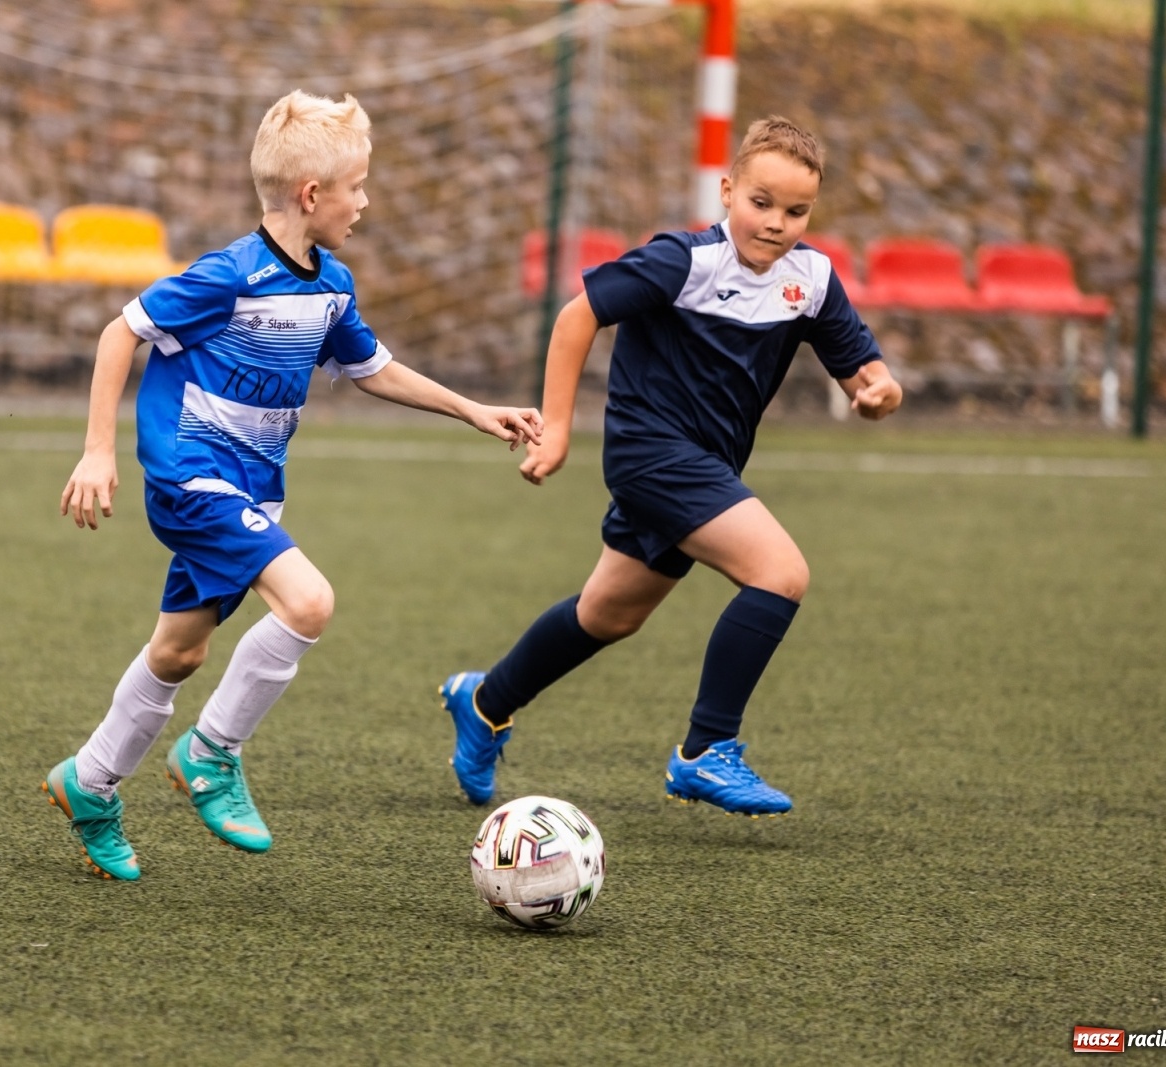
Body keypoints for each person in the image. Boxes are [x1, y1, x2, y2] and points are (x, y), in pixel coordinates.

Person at [45, 89, 543, 880]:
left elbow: (372, 368)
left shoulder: (331, 284)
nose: (366, 202)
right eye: (359, 186)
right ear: (313, 195)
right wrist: (97, 451)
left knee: (180, 652)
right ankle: (211, 753)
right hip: (191, 478)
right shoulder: (228, 275)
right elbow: (121, 332)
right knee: (309, 601)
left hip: (252, 492)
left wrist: (472, 409)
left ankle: (90, 780)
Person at [441, 116, 902, 817]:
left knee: (608, 613)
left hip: (705, 466)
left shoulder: (810, 280)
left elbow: (863, 369)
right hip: (649, 453)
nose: (777, 223)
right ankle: (706, 750)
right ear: (727, 191)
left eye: (797, 211)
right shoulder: (682, 261)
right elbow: (577, 316)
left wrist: (878, 391)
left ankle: (484, 702)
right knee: (779, 573)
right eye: (761, 202)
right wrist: (558, 429)